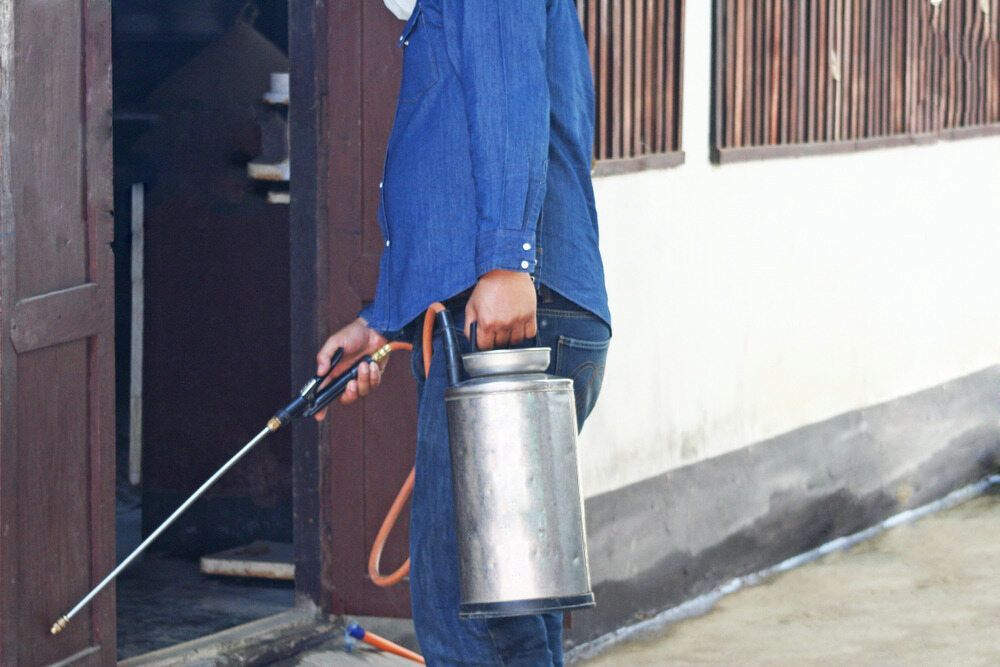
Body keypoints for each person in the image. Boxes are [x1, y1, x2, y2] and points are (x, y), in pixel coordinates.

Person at [315, 1, 611, 663]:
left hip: (511, 315)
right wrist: (381, 321)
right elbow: (443, 163)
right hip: (500, 313)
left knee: (474, 616)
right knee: (503, 610)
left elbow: (510, 86)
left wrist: (507, 260)